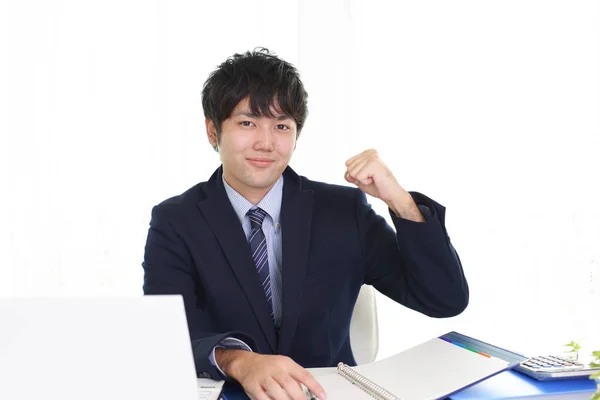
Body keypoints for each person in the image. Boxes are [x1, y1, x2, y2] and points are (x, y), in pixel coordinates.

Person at [142, 48, 468, 400]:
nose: (266, 143)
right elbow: (165, 337)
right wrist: (239, 361)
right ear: (212, 131)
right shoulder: (175, 221)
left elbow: (443, 299)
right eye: (247, 123)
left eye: (281, 125)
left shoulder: (344, 211)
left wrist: (399, 200)